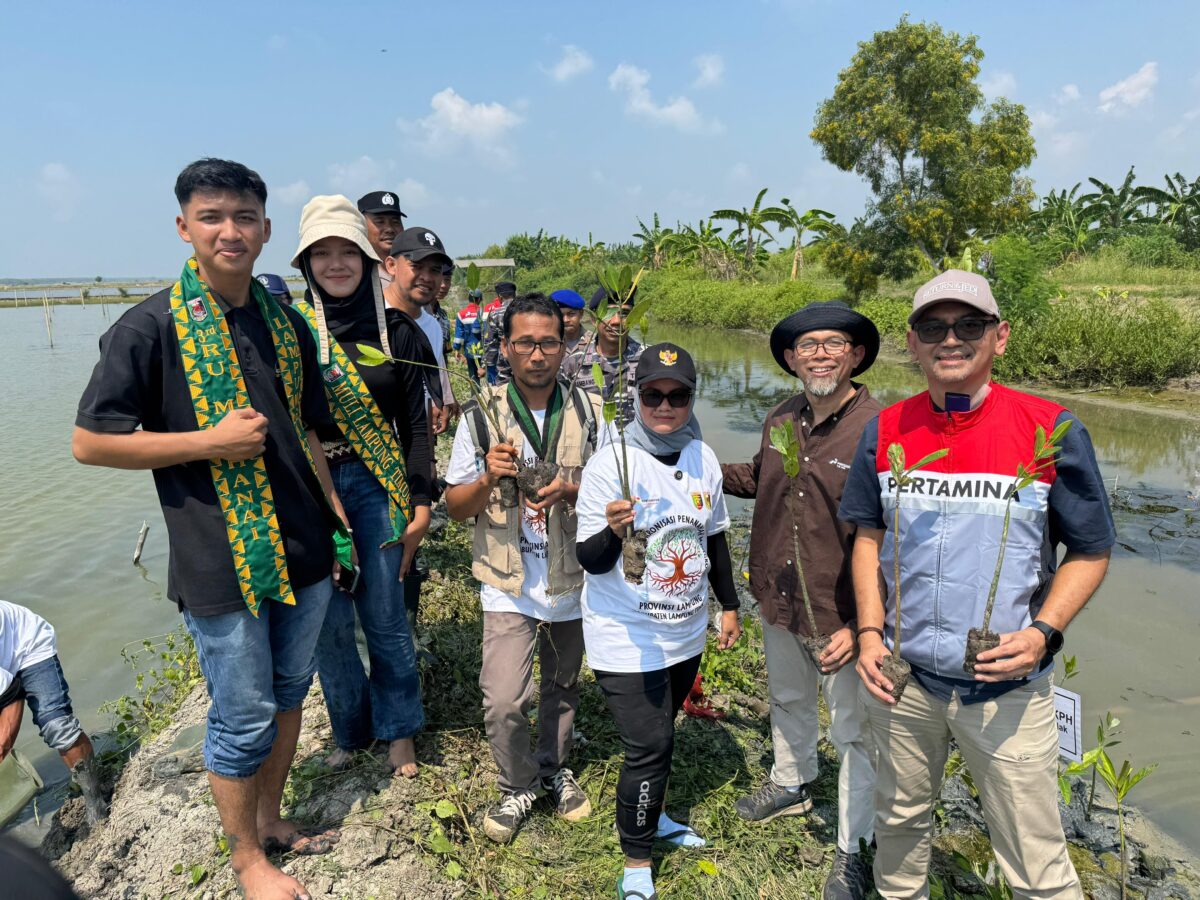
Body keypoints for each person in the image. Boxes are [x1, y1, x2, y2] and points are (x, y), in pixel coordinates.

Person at [73, 158, 350, 900]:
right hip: (217, 560)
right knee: (241, 714)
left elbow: (309, 432)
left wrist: (337, 512)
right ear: (184, 227)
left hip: (306, 550)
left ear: (264, 228)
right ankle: (247, 861)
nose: (230, 231)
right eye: (212, 217)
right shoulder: (150, 326)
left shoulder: (283, 320)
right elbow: (90, 442)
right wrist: (205, 441)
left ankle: (272, 819)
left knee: (290, 694)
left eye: (244, 217)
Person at [839, 271, 1115, 900]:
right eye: (934, 327)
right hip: (904, 682)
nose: (951, 340)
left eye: (969, 325)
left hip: (1008, 689)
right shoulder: (886, 432)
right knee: (901, 824)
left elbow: (1092, 549)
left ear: (1001, 336)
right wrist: (871, 634)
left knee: (1034, 856)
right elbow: (868, 538)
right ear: (912, 342)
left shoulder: (1051, 430)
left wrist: (1044, 632)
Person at [722, 302, 881, 900]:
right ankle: (791, 781)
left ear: (856, 355)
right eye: (806, 346)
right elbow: (762, 478)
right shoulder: (782, 416)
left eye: (832, 344)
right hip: (781, 596)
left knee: (855, 732)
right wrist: (688, 465)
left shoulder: (878, 428)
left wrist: (870, 624)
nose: (819, 354)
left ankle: (853, 848)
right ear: (790, 360)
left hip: (842, 612)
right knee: (788, 698)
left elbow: (896, 537)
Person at [575, 343, 742, 900]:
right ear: (636, 397)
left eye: (678, 396)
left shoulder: (703, 457)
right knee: (649, 746)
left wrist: (730, 606)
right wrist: (613, 530)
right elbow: (591, 561)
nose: (665, 406)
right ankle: (637, 861)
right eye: (653, 395)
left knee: (663, 734)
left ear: (692, 399)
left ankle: (658, 815)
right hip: (626, 634)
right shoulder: (610, 463)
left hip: (686, 629)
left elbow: (714, 538)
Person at [443, 293, 600, 845]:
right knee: (505, 698)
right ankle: (518, 785)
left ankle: (555, 771)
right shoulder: (481, 416)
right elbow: (455, 506)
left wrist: (572, 488)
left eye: (549, 342)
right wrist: (486, 477)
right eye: (525, 342)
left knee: (561, 685)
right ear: (505, 347)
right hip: (507, 581)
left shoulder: (590, 411)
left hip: (570, 580)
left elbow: (614, 498)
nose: (537, 354)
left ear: (566, 344)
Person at [290, 194, 431, 778]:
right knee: (326, 622)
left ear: (370, 259)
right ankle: (350, 728)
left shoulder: (398, 332)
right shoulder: (291, 332)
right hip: (312, 488)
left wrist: (421, 502)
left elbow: (418, 427)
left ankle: (399, 731)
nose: (336, 263)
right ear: (305, 264)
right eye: (321, 253)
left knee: (385, 614)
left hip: (379, 484)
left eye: (347, 250)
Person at [383, 227, 456, 650]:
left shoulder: (427, 326)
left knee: (405, 563)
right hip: (369, 464)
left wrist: (424, 488)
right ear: (391, 265)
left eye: (437, 269)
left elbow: (419, 417)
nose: (428, 277)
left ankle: (404, 650)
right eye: (417, 265)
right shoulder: (367, 322)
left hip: (410, 457)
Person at [0, 601, 108, 825]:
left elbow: (11, 695)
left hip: (27, 645)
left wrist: (2, 748)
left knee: (57, 726)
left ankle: (95, 801)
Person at [559, 286, 643, 428]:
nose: (616, 321)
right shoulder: (573, 364)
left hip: (635, 448)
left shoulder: (648, 359)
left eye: (624, 314)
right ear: (593, 319)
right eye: (609, 314)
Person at [357, 190, 407, 271]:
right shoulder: (355, 271)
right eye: (380, 222)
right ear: (362, 225)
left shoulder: (412, 270)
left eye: (395, 222)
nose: (389, 229)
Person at [481, 280, 517, 384]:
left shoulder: (495, 314)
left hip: (505, 359)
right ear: (515, 295)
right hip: (525, 355)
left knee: (504, 387)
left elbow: (491, 342)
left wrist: (487, 364)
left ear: (500, 297)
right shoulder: (525, 310)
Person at [453, 288, 485, 382]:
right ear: (479, 299)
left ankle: (475, 395)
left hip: (470, 351)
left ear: (469, 299)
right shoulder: (484, 312)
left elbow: (459, 336)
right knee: (486, 378)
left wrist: (457, 349)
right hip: (483, 351)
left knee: (473, 377)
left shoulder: (461, 314)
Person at [550, 289, 587, 354]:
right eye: (560, 315)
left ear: (581, 314)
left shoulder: (595, 341)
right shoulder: (547, 343)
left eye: (571, 314)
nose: (565, 320)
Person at [431, 265, 454, 359]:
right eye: (440, 279)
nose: (444, 285)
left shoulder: (443, 314)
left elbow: (445, 350)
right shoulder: (417, 314)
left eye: (447, 280)